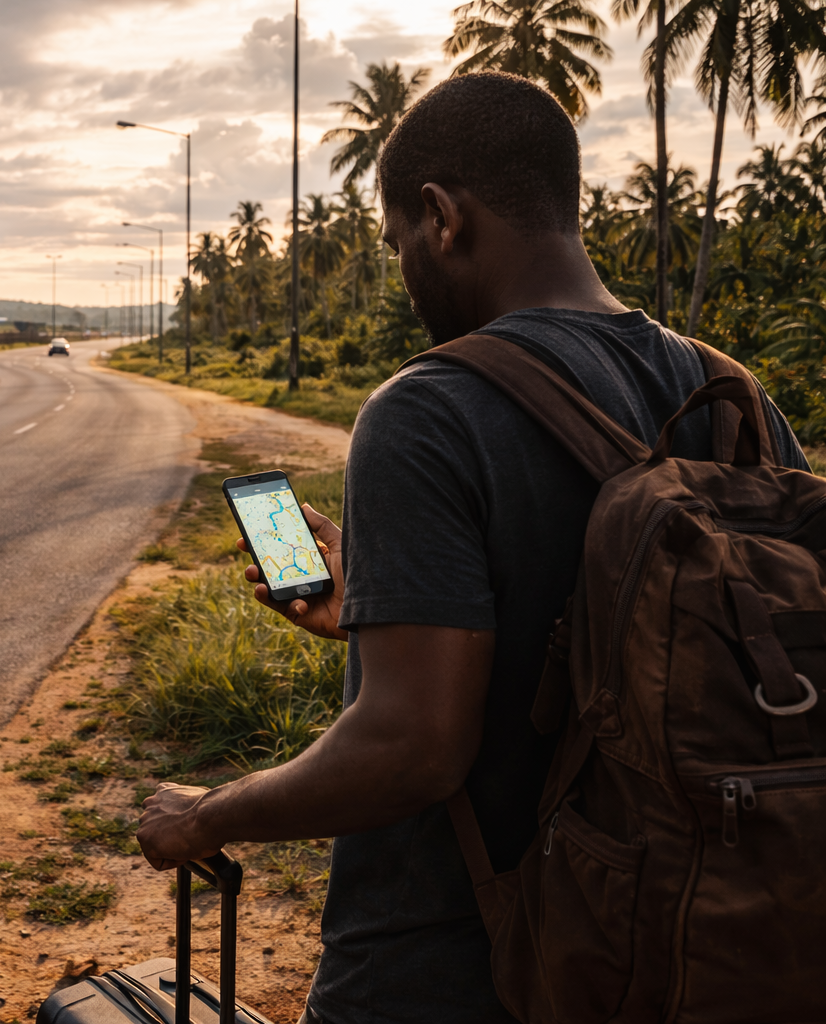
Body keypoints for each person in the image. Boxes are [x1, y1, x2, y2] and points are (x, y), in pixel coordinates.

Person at [135, 71, 811, 1024]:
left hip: (458, 969)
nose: (402, 269)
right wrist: (384, 605)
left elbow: (415, 748)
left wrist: (203, 816)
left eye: (396, 242)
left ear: (440, 216)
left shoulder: (428, 409)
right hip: (698, 949)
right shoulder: (733, 398)